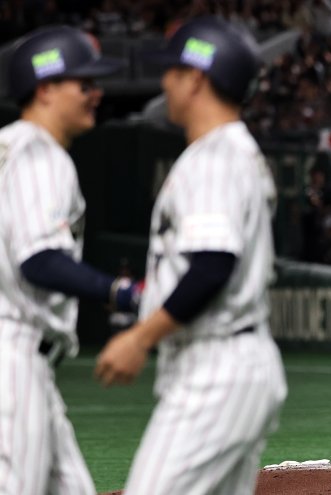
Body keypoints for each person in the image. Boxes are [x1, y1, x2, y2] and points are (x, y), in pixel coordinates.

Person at [93, 16, 287, 494]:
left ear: (196, 79)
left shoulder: (215, 158)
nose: (165, 81)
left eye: (173, 71)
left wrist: (139, 338)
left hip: (215, 371)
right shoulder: (233, 152)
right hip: (233, 361)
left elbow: (212, 266)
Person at [0, 26, 133, 494]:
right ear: (46, 88)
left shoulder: (8, 148)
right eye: (84, 83)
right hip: (13, 361)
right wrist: (117, 291)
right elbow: (39, 260)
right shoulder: (41, 157)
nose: (96, 93)